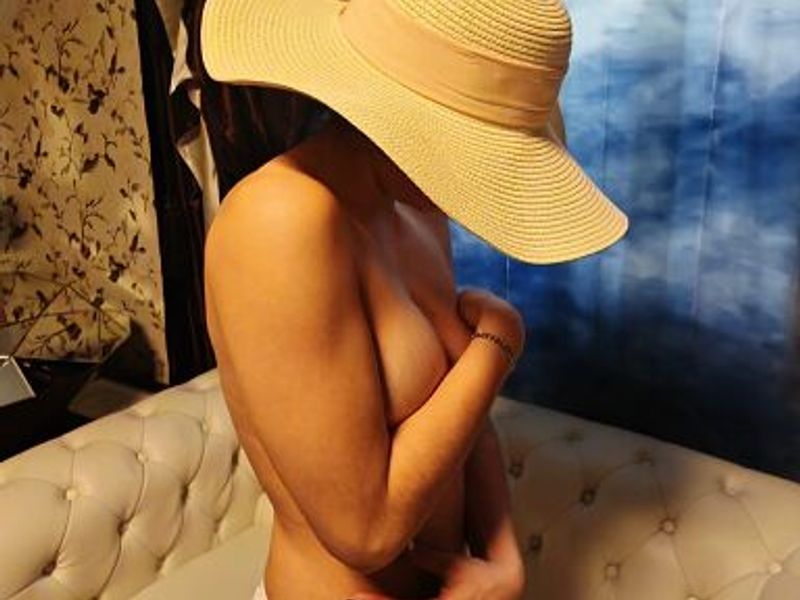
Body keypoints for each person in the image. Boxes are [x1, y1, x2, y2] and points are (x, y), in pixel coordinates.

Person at [200, 1, 629, 598]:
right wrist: (498, 344)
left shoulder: (414, 207)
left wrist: (505, 564)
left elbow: (459, 417)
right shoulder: (281, 217)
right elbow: (365, 531)